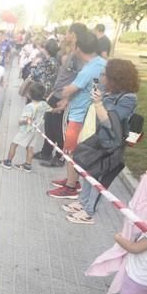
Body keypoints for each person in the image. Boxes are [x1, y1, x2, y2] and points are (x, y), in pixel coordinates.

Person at [62, 59, 139, 224]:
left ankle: (89, 212)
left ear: (115, 77)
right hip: (99, 139)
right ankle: (83, 203)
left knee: (99, 180)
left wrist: (98, 103)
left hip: (112, 145)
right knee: (89, 172)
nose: (101, 77)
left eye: (105, 75)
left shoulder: (128, 98)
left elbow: (110, 123)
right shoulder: (110, 93)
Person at [48, 31, 106, 199]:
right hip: (86, 113)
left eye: (74, 44)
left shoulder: (89, 69)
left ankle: (70, 187)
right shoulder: (101, 63)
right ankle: (72, 179)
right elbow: (94, 88)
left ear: (79, 48)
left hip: (79, 116)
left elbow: (70, 88)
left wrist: (64, 92)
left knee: (70, 151)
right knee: (72, 151)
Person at [36, 23, 88, 166]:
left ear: (74, 34)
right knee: (49, 125)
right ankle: (46, 153)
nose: (65, 35)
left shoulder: (79, 55)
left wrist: (67, 98)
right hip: (56, 93)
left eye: (68, 32)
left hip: (64, 97)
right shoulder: (70, 51)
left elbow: (79, 78)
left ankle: (59, 157)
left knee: (59, 129)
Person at [0, 82, 51, 172]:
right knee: (30, 147)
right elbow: (51, 109)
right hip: (34, 131)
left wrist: (21, 121)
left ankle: (8, 162)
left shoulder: (29, 106)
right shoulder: (43, 104)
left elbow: (24, 121)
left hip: (25, 130)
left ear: (29, 95)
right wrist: (58, 110)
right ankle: (27, 165)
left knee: (14, 144)